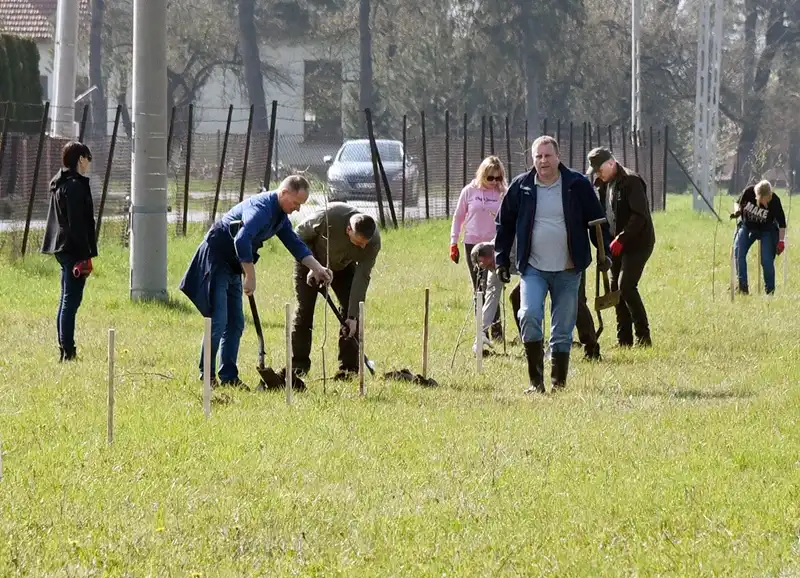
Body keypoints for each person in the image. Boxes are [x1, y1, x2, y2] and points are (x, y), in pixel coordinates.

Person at [179, 175, 332, 389]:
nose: (297, 209)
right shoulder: (262, 208)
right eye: (296, 203)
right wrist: (250, 275)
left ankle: (229, 377)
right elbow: (241, 239)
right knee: (218, 321)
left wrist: (317, 267)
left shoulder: (280, 216)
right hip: (217, 258)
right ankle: (207, 377)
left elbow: (294, 244)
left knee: (236, 324)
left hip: (235, 264)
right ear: (284, 192)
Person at [495, 136, 611, 394]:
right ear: (532, 159)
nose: (543, 161)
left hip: (568, 269)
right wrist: (502, 258)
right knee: (529, 314)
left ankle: (558, 385)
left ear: (558, 157)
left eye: (548, 156)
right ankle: (536, 384)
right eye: (538, 156)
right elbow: (504, 223)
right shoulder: (522, 186)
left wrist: (605, 253)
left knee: (562, 329)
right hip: (533, 268)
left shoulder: (577, 185)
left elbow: (598, 222)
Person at [290, 202, 381, 380]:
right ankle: (298, 368)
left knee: (350, 312)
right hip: (309, 260)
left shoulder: (373, 242)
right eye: (358, 243)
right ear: (348, 230)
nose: (362, 248)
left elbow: (362, 277)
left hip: (343, 267)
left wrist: (353, 316)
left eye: (365, 244)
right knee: (304, 312)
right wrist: (313, 265)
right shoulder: (328, 216)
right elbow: (297, 236)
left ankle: (347, 370)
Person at [587, 147, 656, 347]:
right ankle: (623, 340)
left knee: (627, 286)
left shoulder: (632, 181)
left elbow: (639, 215)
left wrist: (622, 238)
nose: (598, 174)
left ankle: (644, 337)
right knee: (616, 289)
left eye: (600, 169)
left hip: (637, 243)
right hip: (614, 244)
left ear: (611, 163)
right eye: (595, 171)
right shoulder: (601, 185)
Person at [40, 141, 97, 362]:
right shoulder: (74, 186)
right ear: (80, 159)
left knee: (66, 299)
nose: (89, 164)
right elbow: (77, 224)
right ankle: (68, 350)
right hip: (73, 249)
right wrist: (85, 256)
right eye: (88, 158)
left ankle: (64, 347)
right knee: (70, 302)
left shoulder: (60, 182)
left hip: (63, 247)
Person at [449, 156, 507, 342]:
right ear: (482, 174)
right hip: (473, 245)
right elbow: (458, 217)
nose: (494, 182)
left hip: (494, 244)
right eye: (490, 178)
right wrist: (453, 242)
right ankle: (481, 331)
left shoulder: (503, 193)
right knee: (479, 288)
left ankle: (497, 332)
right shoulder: (469, 191)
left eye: (498, 178)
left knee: (494, 286)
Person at [731, 179, 787, 295]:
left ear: (770, 195)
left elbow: (782, 223)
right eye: (760, 199)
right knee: (739, 252)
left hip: (767, 230)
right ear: (756, 195)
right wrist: (736, 211)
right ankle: (743, 287)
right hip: (747, 226)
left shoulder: (775, 201)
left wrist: (781, 241)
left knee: (766, 260)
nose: (763, 203)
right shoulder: (748, 192)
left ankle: (770, 292)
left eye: (765, 200)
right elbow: (737, 203)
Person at [470, 240, 522, 343]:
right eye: (486, 268)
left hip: (540, 264)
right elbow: (491, 299)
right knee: (516, 297)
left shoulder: (512, 243)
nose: (490, 270)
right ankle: (527, 338)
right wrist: (481, 332)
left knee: (521, 296)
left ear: (494, 252)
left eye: (489, 265)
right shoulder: (494, 269)